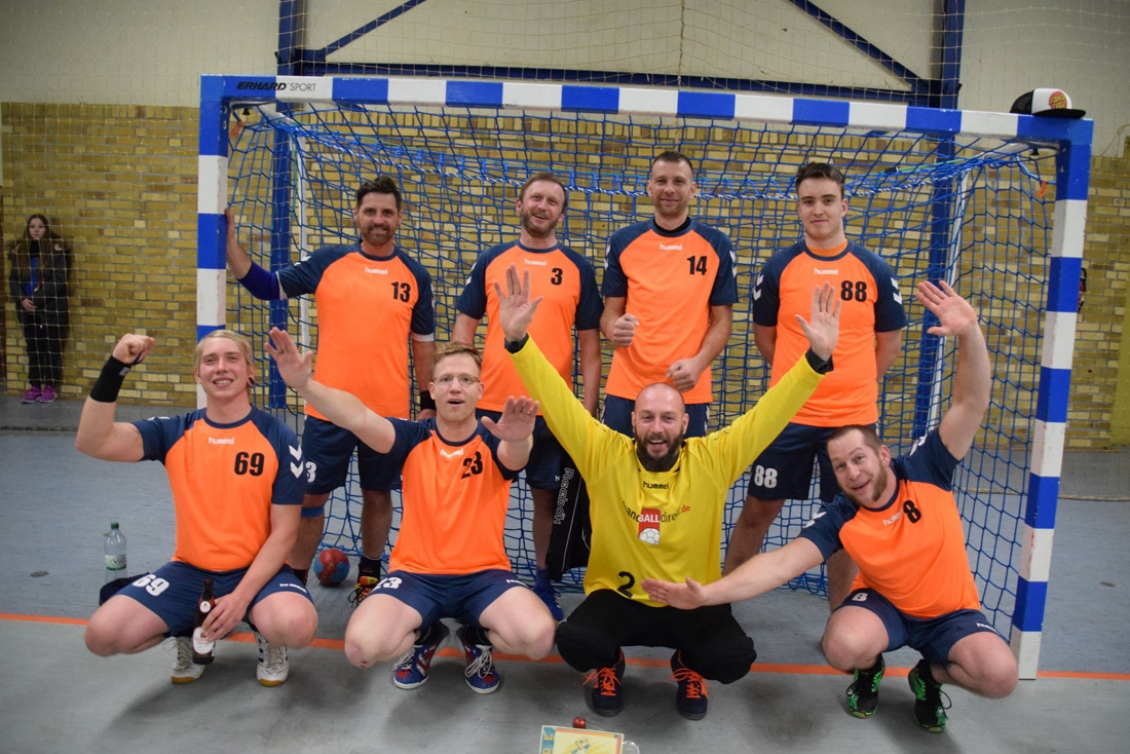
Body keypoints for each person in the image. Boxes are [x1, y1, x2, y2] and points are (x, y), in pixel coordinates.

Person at [644, 280, 1018, 733]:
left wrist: (970, 331)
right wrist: (707, 594)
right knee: (841, 648)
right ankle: (869, 670)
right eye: (840, 467)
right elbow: (780, 563)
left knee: (1000, 676)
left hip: (951, 612)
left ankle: (928, 675)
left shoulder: (926, 467)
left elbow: (971, 401)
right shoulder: (842, 514)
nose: (852, 472)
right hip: (885, 607)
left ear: (881, 455)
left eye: (858, 458)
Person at [497, 264, 840, 720]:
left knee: (734, 658)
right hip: (618, 598)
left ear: (684, 422)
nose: (657, 428)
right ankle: (609, 663)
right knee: (576, 643)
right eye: (647, 417)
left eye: (667, 418)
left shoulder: (713, 459)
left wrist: (815, 361)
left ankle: (688, 664)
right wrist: (519, 343)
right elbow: (556, 397)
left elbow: (769, 414)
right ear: (633, 420)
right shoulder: (603, 452)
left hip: (690, 598)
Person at [266, 330, 556, 694]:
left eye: (466, 380)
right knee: (361, 648)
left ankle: (476, 636)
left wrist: (518, 437)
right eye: (447, 379)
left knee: (539, 638)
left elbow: (516, 456)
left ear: (480, 391)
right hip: (416, 576)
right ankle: (425, 633)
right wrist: (304, 385)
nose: (455, 387)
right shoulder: (413, 437)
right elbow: (357, 416)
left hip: (485, 578)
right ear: (432, 390)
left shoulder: (494, 439)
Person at [225, 176, 436, 603]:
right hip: (328, 410)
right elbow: (267, 287)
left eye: (387, 212)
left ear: (399, 218)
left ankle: (369, 577)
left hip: (387, 416)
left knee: (378, 494)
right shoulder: (327, 262)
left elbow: (424, 347)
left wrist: (427, 404)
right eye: (371, 211)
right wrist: (229, 244)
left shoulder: (414, 275)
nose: (379, 219)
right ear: (356, 215)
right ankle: (294, 581)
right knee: (310, 494)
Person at [75, 330, 318, 687]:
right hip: (190, 572)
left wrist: (240, 599)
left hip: (258, 571)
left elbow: (285, 533)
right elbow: (92, 441)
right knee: (102, 635)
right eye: (210, 360)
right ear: (197, 374)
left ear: (250, 372)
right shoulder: (176, 431)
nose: (221, 367)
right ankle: (187, 625)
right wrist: (116, 367)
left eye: (232, 358)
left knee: (296, 626)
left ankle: (267, 633)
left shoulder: (277, 437)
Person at [724, 162, 907, 611]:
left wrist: (852, 383)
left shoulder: (875, 269)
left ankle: (840, 614)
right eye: (808, 201)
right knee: (758, 510)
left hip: (852, 421)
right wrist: (800, 383)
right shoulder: (779, 268)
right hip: (788, 418)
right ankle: (720, 606)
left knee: (847, 521)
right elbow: (766, 339)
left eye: (827, 200)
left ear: (844, 205)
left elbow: (888, 345)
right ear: (798, 208)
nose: (818, 209)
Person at [451, 172, 602, 620]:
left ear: (561, 212)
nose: (542, 205)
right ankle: (474, 577)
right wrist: (462, 388)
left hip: (549, 411)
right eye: (535, 197)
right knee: (479, 497)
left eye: (553, 201)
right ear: (519, 203)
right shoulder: (493, 259)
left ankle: (542, 581)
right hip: (490, 407)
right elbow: (464, 327)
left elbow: (591, 348)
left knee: (547, 501)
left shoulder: (578, 268)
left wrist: (585, 411)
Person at [600, 150, 737, 438]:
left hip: (688, 386)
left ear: (693, 189)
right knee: (614, 477)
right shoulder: (623, 241)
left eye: (679, 181)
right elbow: (610, 314)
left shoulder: (717, 244)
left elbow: (723, 321)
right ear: (649, 187)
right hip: (627, 386)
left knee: (686, 480)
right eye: (661, 181)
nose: (670, 189)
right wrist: (614, 330)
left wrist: (698, 364)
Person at [7, 214, 72, 404]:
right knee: (33, 349)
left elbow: (58, 281)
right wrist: (22, 300)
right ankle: (35, 385)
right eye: (32, 226)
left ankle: (50, 386)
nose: (36, 230)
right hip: (27, 310)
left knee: (52, 349)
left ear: (47, 229)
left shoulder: (55, 252)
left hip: (51, 310)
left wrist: (36, 299)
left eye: (40, 226)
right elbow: (13, 280)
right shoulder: (21, 253)